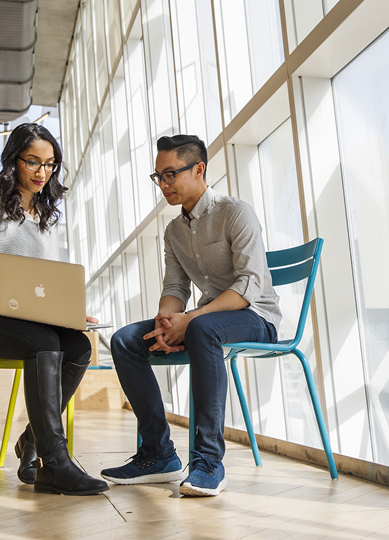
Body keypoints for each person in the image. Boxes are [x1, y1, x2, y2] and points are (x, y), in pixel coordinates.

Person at [100, 135, 282, 497]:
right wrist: (166, 323)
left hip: (256, 316)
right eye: (158, 177)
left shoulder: (235, 212)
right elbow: (175, 288)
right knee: (125, 340)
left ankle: (209, 462)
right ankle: (158, 454)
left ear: (199, 169)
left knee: (201, 329)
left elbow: (249, 285)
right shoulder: (173, 231)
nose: (163, 185)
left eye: (170, 175)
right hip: (206, 320)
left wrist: (191, 319)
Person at [0, 123, 108, 496]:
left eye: (50, 164)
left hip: (17, 313)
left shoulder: (46, 213)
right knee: (43, 341)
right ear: (13, 159)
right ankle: (56, 464)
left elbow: (43, 282)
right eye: (33, 162)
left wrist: (67, 311)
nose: (41, 173)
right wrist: (24, 304)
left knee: (79, 345)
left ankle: (32, 441)